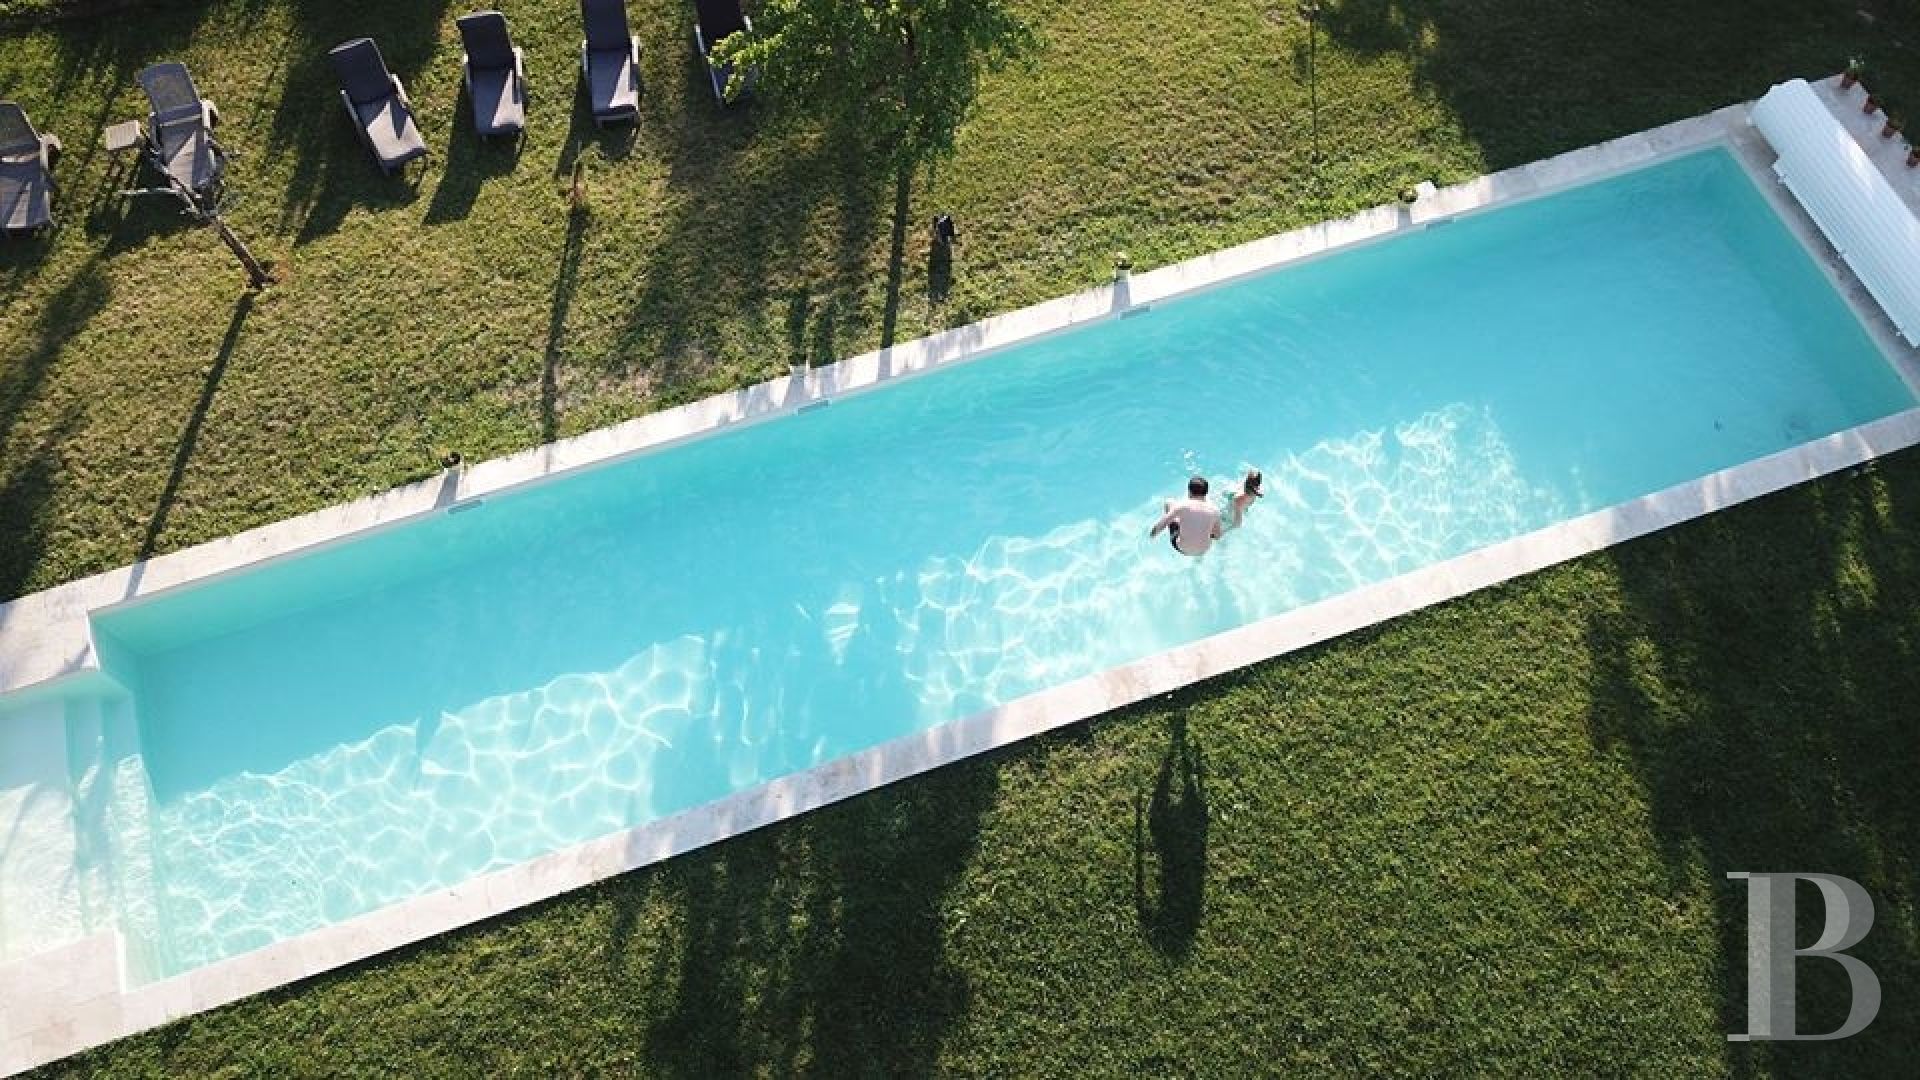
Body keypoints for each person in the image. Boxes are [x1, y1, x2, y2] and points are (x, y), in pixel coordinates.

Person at [1151, 476, 1224, 556]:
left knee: (1169, 502)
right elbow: (1218, 536)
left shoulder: (1182, 506)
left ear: (1189, 492)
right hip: (1203, 550)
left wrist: (1151, 536)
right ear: (1206, 493)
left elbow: (1160, 526)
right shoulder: (1215, 510)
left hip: (1182, 548)